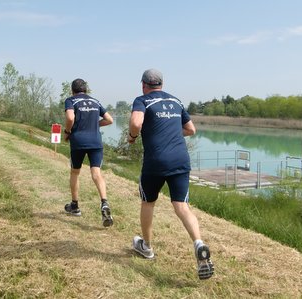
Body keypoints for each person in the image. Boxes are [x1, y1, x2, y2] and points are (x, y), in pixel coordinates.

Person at [128, 69, 214, 280]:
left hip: (156, 162)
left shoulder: (143, 100)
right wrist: (173, 132)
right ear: (162, 84)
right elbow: (191, 129)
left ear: (143, 85)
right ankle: (199, 243)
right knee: (182, 206)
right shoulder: (176, 101)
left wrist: (132, 137)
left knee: (148, 202)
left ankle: (146, 247)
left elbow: (136, 123)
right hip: (180, 160)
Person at [63, 78, 114, 227]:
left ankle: (75, 206)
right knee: (96, 174)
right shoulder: (95, 101)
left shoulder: (71, 100)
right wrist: (94, 124)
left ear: (72, 90)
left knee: (75, 172)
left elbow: (70, 117)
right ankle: (104, 203)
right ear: (86, 90)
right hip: (96, 142)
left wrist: (67, 131)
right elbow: (109, 120)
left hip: (78, 141)